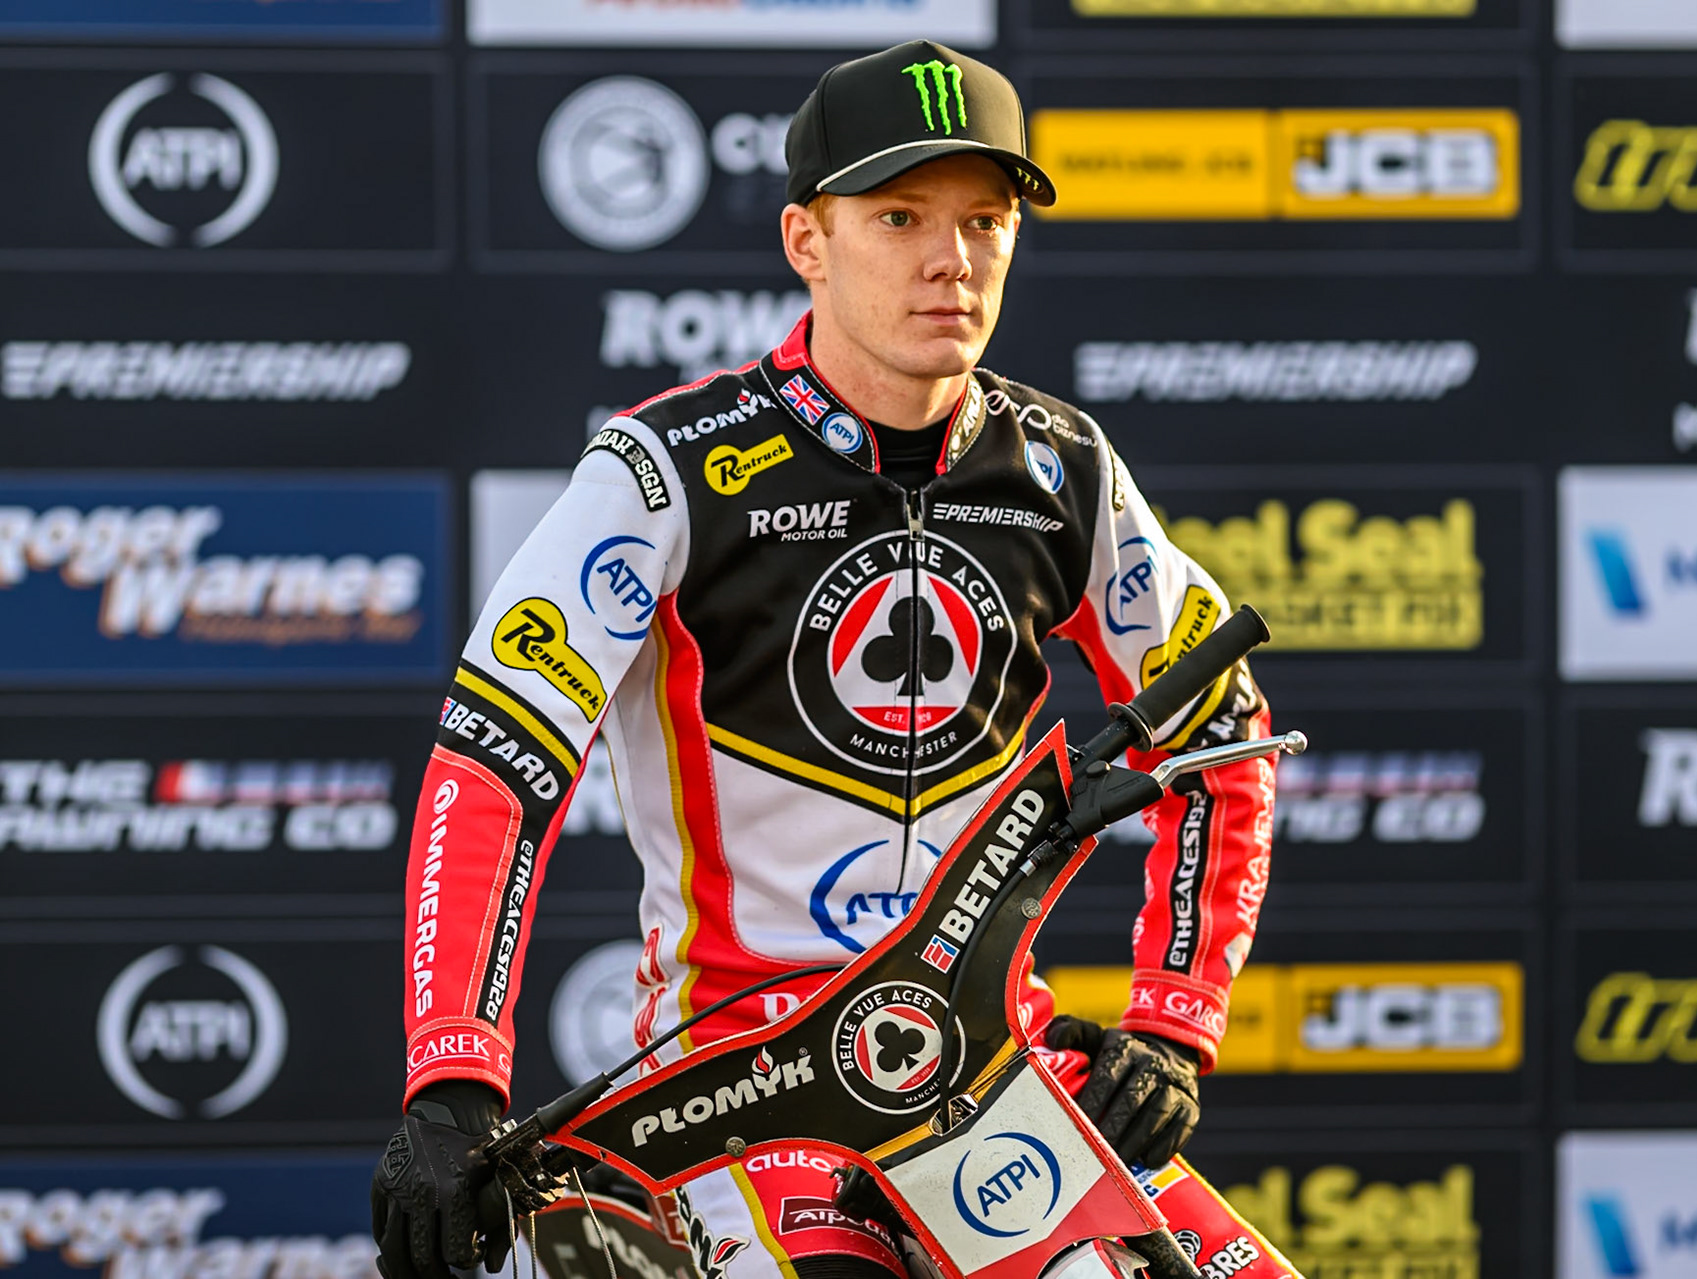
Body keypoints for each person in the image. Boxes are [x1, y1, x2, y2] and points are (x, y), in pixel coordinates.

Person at [372, 40, 1290, 1279]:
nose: (950, 259)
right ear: (809, 240)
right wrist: (455, 1074)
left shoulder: (1062, 468)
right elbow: (494, 764)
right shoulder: (664, 469)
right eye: (901, 215)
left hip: (986, 1072)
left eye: (985, 219)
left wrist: (1174, 1024)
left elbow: (1226, 735)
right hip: (736, 1084)